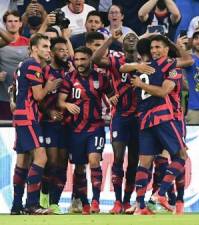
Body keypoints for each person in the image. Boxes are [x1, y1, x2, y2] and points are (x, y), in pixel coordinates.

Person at [121, 35, 192, 215]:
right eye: (152, 48)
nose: (154, 50)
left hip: (144, 120)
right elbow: (162, 92)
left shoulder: (143, 69)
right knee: (181, 156)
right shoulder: (171, 67)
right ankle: (162, 194)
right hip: (163, 117)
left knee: (144, 163)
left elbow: (122, 67)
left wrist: (136, 73)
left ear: (166, 48)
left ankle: (140, 206)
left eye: (158, 47)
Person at [93, 30, 150, 214]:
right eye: (127, 37)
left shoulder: (146, 64)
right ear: (122, 44)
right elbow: (95, 59)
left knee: (134, 161)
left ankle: (126, 201)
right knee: (118, 158)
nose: (132, 38)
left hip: (139, 118)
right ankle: (117, 201)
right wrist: (110, 38)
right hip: (120, 117)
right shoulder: (116, 61)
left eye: (135, 36)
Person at [58, 46, 113, 215]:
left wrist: (114, 107)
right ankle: (84, 202)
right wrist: (67, 104)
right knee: (80, 168)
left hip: (95, 127)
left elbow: (112, 96)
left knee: (95, 161)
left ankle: (96, 201)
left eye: (83, 59)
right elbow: (60, 101)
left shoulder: (101, 78)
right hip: (74, 130)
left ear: (90, 59)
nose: (80, 63)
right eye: (77, 60)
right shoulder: (68, 78)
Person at [11, 33, 60, 215]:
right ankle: (32, 204)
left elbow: (13, 91)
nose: (49, 50)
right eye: (45, 46)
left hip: (20, 115)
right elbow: (38, 96)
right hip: (29, 116)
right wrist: (50, 86)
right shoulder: (33, 65)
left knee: (23, 161)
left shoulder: (21, 64)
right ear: (34, 48)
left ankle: (17, 206)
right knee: (41, 158)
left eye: (49, 46)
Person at [38, 37, 70, 214]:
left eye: (66, 50)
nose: (64, 53)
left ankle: (55, 202)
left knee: (62, 164)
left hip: (67, 124)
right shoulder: (45, 71)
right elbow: (37, 97)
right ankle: (43, 195)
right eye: (60, 50)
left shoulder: (70, 72)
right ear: (52, 53)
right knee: (51, 162)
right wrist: (49, 112)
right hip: (49, 123)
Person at [0, 10, 29, 120]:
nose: (13, 24)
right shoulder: (1, 43)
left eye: (16, 21)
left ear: (21, 24)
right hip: (3, 96)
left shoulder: (29, 42)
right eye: (10, 21)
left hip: (24, 96)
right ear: (5, 24)